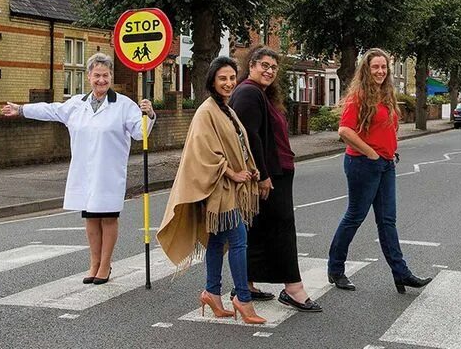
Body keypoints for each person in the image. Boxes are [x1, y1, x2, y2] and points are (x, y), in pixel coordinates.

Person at [1, 52, 154, 284]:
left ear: (111, 76)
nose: (101, 80)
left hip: (109, 174)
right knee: (91, 218)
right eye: (96, 75)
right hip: (85, 172)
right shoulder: (76, 104)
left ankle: (105, 265)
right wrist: (22, 110)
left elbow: (139, 133)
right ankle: (93, 263)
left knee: (108, 218)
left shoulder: (124, 105)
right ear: (89, 77)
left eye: (105, 75)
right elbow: (51, 110)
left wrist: (149, 114)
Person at [157, 57, 265, 325]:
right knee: (238, 240)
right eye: (223, 79)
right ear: (212, 82)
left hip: (228, 189)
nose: (228, 83)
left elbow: (239, 144)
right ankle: (243, 298)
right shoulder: (206, 110)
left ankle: (212, 293)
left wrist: (249, 168)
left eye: (231, 78)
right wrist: (232, 172)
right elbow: (203, 152)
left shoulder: (226, 109)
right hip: (218, 191)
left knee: (217, 241)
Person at [327, 48, 432, 294]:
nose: (380, 72)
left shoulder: (386, 95)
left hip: (385, 165)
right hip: (363, 164)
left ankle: (401, 273)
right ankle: (335, 269)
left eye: (383, 67)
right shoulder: (359, 96)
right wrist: (371, 153)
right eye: (375, 67)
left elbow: (386, 128)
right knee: (355, 216)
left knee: (387, 221)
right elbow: (344, 131)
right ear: (366, 69)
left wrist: (389, 150)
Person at [229, 46, 322, 312]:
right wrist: (263, 175)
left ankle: (245, 282)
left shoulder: (261, 94)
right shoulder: (248, 92)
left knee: (258, 228)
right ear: (251, 66)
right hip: (271, 173)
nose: (269, 71)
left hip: (275, 171)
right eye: (264, 65)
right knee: (283, 229)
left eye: (273, 67)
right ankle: (293, 288)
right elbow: (251, 137)